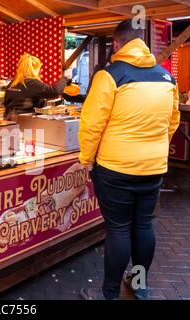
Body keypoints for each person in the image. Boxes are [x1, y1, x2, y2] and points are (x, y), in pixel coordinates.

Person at [78, 19, 180, 300]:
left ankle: (109, 294)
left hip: (116, 167)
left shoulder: (110, 75)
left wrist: (87, 159)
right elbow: (172, 122)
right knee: (143, 225)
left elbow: (91, 124)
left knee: (119, 228)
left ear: (117, 44)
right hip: (153, 167)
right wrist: (153, 147)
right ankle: (139, 286)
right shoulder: (166, 77)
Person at [4, 53, 70, 120]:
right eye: (39, 69)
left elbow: (8, 103)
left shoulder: (12, 83)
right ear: (34, 69)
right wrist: (64, 79)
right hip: (24, 123)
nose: (39, 72)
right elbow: (54, 91)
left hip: (9, 121)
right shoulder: (32, 83)